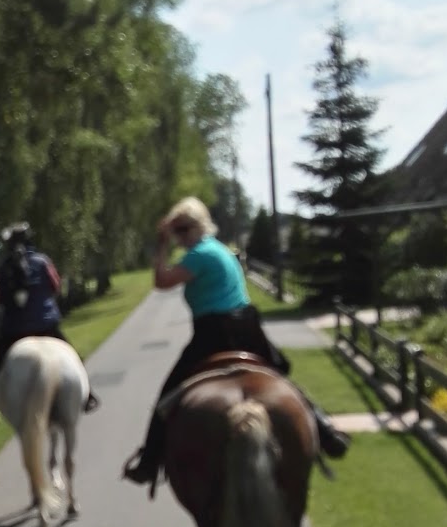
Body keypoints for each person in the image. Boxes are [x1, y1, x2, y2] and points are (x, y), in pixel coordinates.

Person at [121, 197, 349, 486]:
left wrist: (162, 244)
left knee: (168, 395)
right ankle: (325, 429)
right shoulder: (219, 249)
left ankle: (149, 462)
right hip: (248, 325)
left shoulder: (198, 254)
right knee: (278, 375)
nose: (180, 235)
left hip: (214, 330)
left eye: (183, 228)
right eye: (176, 230)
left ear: (199, 225)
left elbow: (161, 282)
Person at [0, 223, 100, 426]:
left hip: (14, 332)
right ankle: (88, 396)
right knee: (73, 356)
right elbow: (55, 286)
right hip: (46, 326)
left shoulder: (2, 269)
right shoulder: (43, 262)